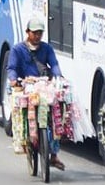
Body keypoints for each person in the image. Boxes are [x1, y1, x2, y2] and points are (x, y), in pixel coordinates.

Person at [7, 16, 66, 170]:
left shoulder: (47, 48)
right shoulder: (17, 49)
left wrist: (58, 78)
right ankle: (25, 142)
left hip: (44, 87)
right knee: (22, 112)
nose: (38, 36)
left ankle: (54, 155)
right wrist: (14, 80)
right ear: (28, 32)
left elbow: (54, 65)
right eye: (35, 33)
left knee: (57, 114)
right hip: (26, 86)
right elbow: (12, 68)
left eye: (40, 32)